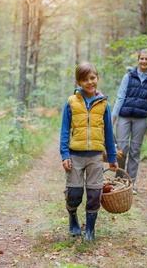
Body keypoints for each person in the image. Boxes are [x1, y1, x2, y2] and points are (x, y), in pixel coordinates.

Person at [60, 62, 118, 241]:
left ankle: (90, 230)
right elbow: (64, 131)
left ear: (97, 79)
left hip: (95, 157)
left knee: (94, 194)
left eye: (92, 78)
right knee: (74, 194)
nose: (89, 82)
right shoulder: (71, 103)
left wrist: (112, 157)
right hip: (75, 156)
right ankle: (73, 218)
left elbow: (108, 133)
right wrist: (65, 155)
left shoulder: (104, 104)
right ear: (78, 82)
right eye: (84, 79)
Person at [112, 49, 147, 194]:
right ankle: (117, 180)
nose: (144, 61)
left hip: (141, 120)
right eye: (142, 59)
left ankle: (130, 183)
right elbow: (120, 98)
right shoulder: (128, 76)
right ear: (138, 60)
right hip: (124, 117)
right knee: (121, 149)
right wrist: (112, 120)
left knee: (135, 151)